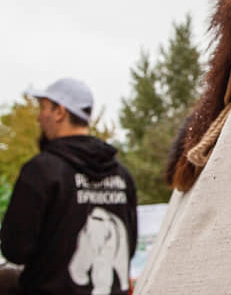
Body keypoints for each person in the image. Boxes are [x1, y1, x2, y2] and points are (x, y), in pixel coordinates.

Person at [0, 78, 137, 295]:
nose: (38, 117)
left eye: (43, 108)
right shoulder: (122, 175)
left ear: (59, 112)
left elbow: (15, 249)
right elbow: (129, 247)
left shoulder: (41, 171)